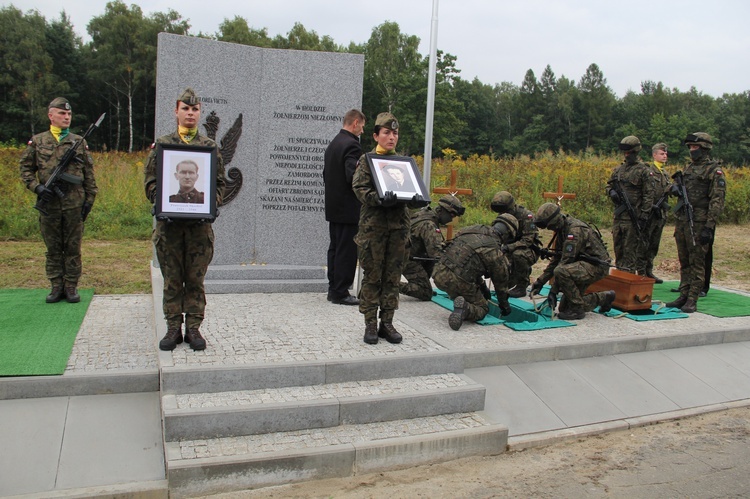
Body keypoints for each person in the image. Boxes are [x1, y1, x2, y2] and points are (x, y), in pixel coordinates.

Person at [144, 88, 226, 351]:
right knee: (171, 278)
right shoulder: (163, 145)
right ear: (176, 111)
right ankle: (172, 328)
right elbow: (151, 182)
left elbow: (220, 183)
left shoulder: (209, 147)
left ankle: (193, 328)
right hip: (169, 228)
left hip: (199, 230)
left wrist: (211, 203)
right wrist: (162, 202)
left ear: (199, 113)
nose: (190, 113)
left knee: (194, 279)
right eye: (185, 109)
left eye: (195, 109)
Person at [352, 112, 428, 345]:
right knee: (373, 276)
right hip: (373, 229)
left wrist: (416, 200)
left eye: (394, 133)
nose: (391, 137)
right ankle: (370, 324)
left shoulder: (403, 163)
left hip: (398, 229)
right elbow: (359, 188)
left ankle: (387, 322)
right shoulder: (368, 160)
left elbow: (412, 189)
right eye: (386, 133)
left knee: (392, 278)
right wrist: (378, 198)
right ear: (376, 135)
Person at [20, 97, 98, 304]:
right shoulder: (38, 142)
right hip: (49, 205)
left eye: (69, 114)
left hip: (74, 204)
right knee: (53, 248)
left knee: (73, 247)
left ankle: (71, 286)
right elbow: (26, 169)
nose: (66, 117)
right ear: (50, 115)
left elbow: (89, 174)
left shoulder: (79, 142)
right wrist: (37, 188)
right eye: (62, 113)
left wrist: (89, 200)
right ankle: (56, 286)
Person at [665, 132, 726, 313]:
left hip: (699, 222)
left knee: (697, 261)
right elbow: (672, 187)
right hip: (683, 220)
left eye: (695, 147)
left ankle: (693, 297)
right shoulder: (689, 169)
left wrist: (709, 226)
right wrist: (673, 189)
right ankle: (684, 293)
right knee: (684, 260)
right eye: (690, 147)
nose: (692, 150)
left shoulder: (714, 171)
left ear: (705, 148)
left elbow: (717, 200)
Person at [530, 203, 616, 320]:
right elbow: (557, 259)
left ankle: (577, 310)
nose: (549, 229)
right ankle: (605, 297)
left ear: (555, 222)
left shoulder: (574, 231)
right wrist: (540, 281)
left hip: (596, 267)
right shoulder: (562, 229)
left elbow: (564, 263)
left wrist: (553, 291)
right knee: (564, 309)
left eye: (549, 226)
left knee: (561, 272)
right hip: (580, 266)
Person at [432, 214, 518, 331]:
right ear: (507, 234)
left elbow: (468, 261)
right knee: (482, 308)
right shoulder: (494, 251)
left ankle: (459, 297)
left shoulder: (470, 229)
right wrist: (504, 304)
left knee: (463, 283)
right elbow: (500, 283)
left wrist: (483, 287)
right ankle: (465, 309)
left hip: (438, 272)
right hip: (458, 280)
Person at [323, 109, 365, 306]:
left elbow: (326, 174)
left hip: (334, 206)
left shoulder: (333, 143)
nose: (362, 131)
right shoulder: (352, 146)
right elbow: (352, 176)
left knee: (335, 248)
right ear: (355, 123)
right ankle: (341, 291)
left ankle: (333, 289)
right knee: (347, 251)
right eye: (362, 127)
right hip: (348, 209)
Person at [606, 135, 656, 276]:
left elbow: (648, 195)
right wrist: (611, 192)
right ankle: (620, 274)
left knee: (630, 251)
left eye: (630, 153)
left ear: (636, 152)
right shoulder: (618, 170)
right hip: (619, 217)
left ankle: (628, 277)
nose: (627, 156)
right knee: (618, 247)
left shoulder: (644, 171)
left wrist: (644, 216)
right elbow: (608, 185)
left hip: (634, 217)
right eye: (625, 153)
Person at [400, 195, 465, 301]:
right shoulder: (429, 225)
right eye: (451, 215)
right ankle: (390, 285)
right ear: (440, 210)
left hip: (407, 254)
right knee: (425, 293)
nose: (451, 219)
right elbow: (436, 254)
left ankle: (422, 284)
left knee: (431, 263)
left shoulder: (424, 214)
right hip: (408, 259)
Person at [490, 191, 541, 297]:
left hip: (529, 250)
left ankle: (522, 286)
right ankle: (511, 280)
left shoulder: (527, 216)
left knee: (518, 255)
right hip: (509, 249)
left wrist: (508, 247)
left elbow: (528, 240)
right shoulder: (503, 216)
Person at [645, 143, 672, 284]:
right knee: (644, 243)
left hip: (660, 214)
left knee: (654, 244)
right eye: (662, 153)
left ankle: (649, 270)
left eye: (666, 154)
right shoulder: (648, 171)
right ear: (654, 155)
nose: (665, 156)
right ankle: (642, 271)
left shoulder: (665, 174)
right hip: (649, 213)